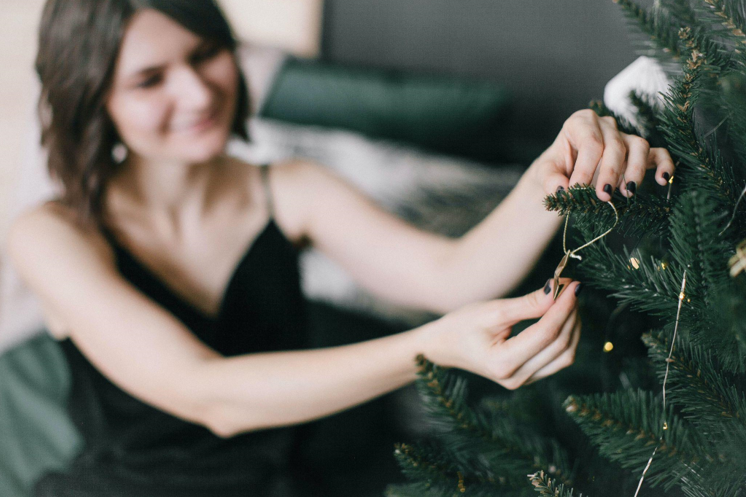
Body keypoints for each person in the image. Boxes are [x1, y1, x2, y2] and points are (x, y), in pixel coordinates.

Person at [7, 0, 675, 495]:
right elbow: (208, 392)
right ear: (91, 102)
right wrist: (433, 347)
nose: (196, 91)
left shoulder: (288, 188)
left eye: (205, 54)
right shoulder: (52, 234)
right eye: (150, 80)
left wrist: (551, 171)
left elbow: (451, 276)